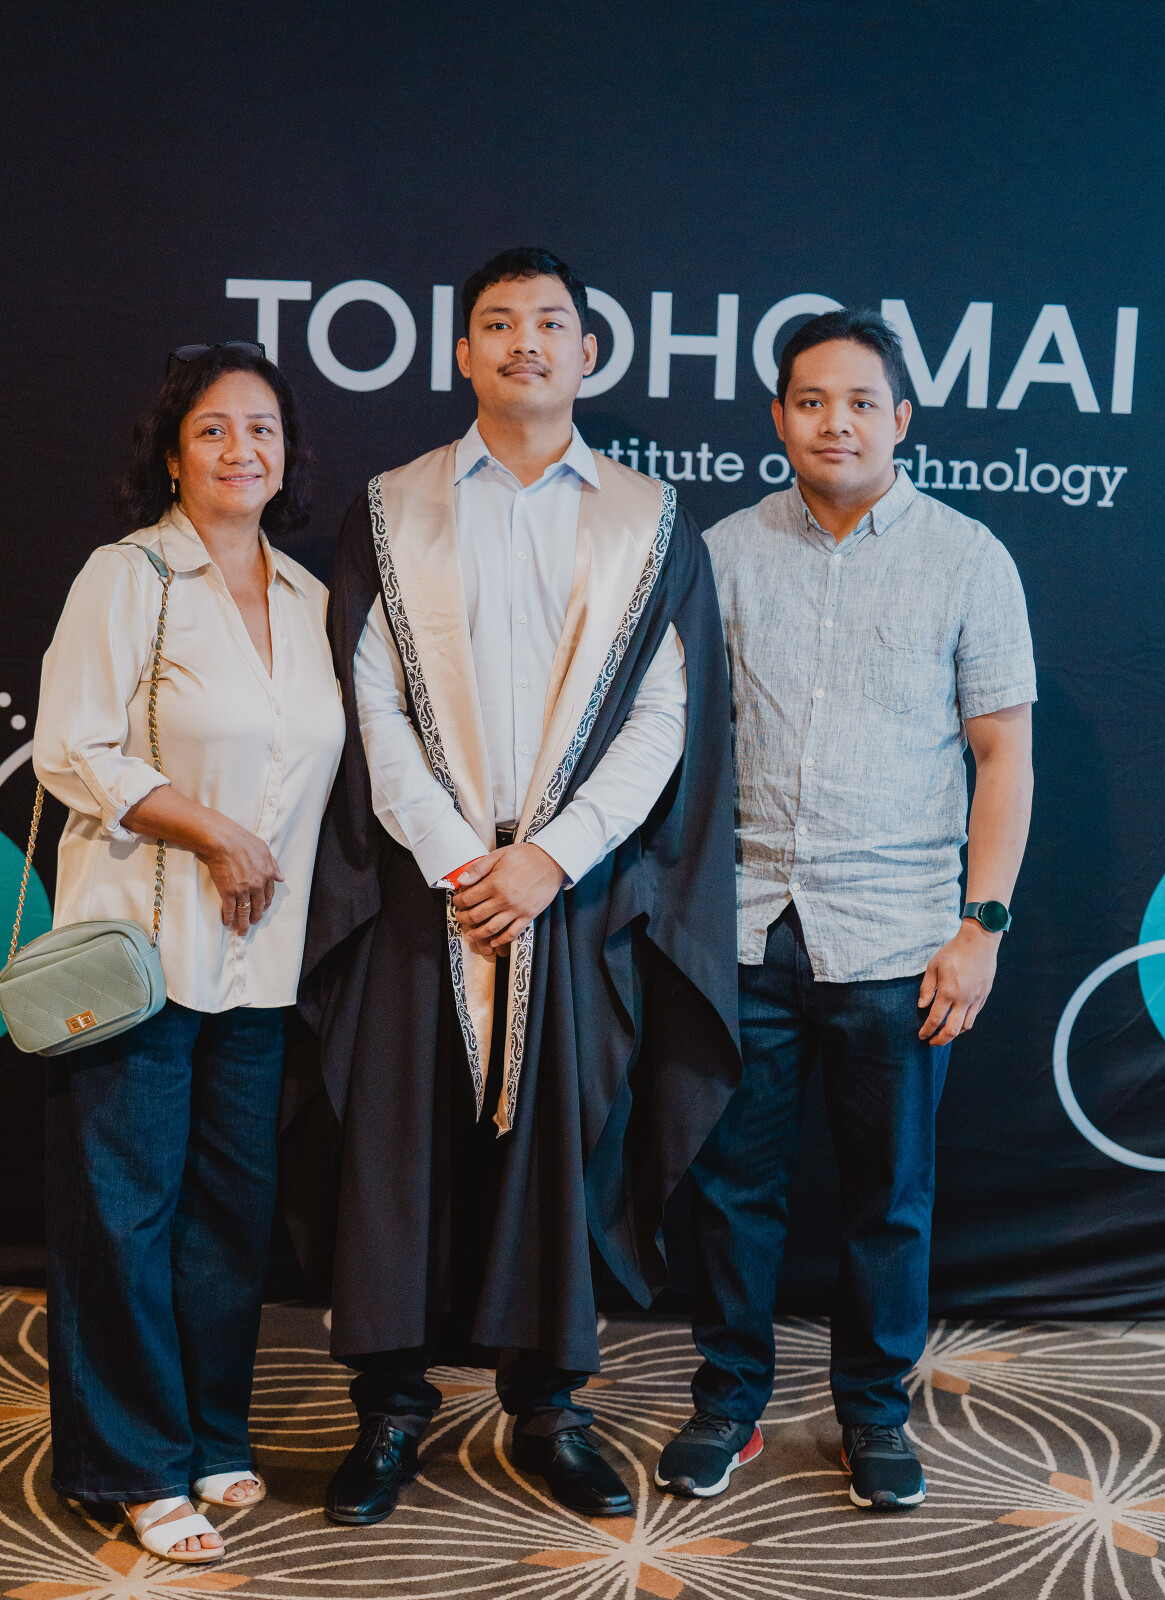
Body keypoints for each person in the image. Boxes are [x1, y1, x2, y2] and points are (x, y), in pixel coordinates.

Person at [280, 247, 740, 1525]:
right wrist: (453, 854)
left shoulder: (649, 520)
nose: (524, 341)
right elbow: (367, 694)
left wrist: (551, 856)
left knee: (561, 1149)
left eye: (549, 322)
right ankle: (389, 1408)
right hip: (420, 882)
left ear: (588, 352)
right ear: (463, 352)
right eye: (497, 322)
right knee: (398, 1146)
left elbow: (668, 716)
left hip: (570, 889)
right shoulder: (394, 507)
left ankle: (548, 1409)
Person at [654, 309, 1036, 1510]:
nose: (837, 422)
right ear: (778, 417)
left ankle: (874, 1415)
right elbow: (675, 746)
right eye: (812, 401)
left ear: (900, 418)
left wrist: (981, 925)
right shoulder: (721, 552)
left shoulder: (967, 556)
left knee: (889, 1202)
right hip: (745, 928)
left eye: (862, 402)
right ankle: (729, 1402)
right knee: (732, 1192)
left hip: (900, 940)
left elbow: (1004, 755)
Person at [33, 343, 345, 1563]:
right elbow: (72, 747)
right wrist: (212, 828)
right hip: (140, 956)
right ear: (172, 455)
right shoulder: (129, 576)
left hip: (260, 967)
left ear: (288, 453)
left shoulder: (310, 598)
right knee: (125, 1215)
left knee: (228, 1215)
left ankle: (212, 1431)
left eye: (261, 428)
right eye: (212, 429)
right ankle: (134, 1464)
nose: (240, 449)